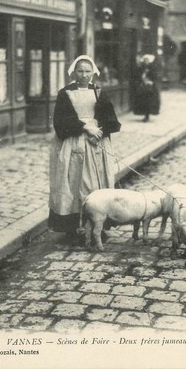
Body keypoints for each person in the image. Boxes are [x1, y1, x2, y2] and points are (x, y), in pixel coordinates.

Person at [48, 55, 121, 238]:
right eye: (80, 71)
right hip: (73, 144)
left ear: (94, 72)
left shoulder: (99, 92)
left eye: (88, 71)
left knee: (97, 183)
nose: (84, 75)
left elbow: (110, 118)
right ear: (74, 71)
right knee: (72, 183)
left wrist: (99, 132)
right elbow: (61, 121)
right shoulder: (65, 93)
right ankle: (71, 228)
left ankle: (97, 226)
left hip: (96, 144)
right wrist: (84, 126)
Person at [133, 54, 161, 122]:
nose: (146, 61)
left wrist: (151, 81)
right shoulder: (142, 68)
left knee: (149, 101)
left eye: (147, 60)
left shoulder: (152, 68)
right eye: (145, 60)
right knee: (143, 101)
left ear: (149, 61)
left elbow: (155, 77)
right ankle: (144, 114)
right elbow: (138, 75)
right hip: (142, 86)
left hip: (150, 87)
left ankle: (147, 115)